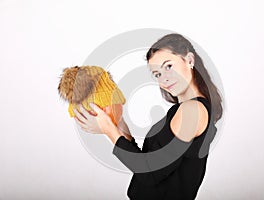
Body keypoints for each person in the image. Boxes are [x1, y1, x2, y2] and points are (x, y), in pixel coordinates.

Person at [73, 33, 223, 200]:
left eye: (168, 66)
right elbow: (148, 162)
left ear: (189, 60)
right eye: (157, 74)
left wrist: (108, 130)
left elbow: (150, 173)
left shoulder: (192, 111)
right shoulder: (185, 110)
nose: (164, 78)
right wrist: (119, 125)